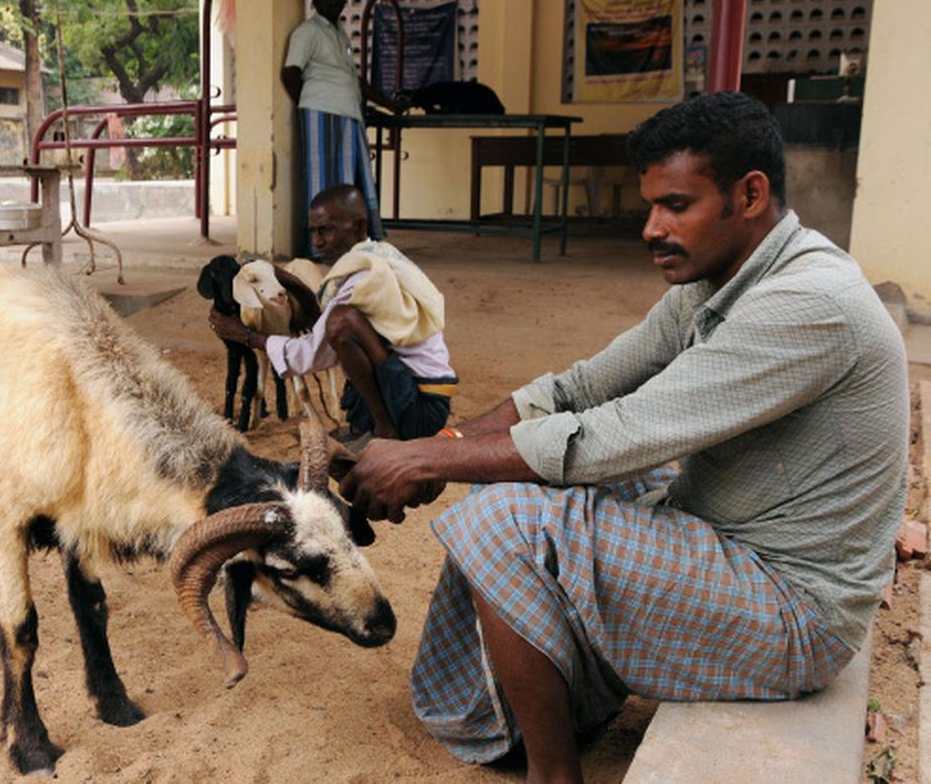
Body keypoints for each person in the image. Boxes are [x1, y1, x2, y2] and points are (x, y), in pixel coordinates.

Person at [337, 92, 909, 782]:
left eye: (676, 205)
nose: (651, 227)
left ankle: (555, 774)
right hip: (734, 545)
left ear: (749, 194)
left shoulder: (807, 302)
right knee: (536, 482)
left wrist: (429, 456)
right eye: (651, 206)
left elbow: (618, 433)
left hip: (796, 615)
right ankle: (566, 703)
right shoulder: (722, 279)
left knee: (502, 521)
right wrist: (448, 442)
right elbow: (579, 389)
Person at [209, 184, 457, 444]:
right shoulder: (378, 256)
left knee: (342, 321)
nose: (316, 241)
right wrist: (284, 278)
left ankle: (385, 428)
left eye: (325, 230)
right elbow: (321, 322)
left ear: (360, 227)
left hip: (421, 407)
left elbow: (313, 351)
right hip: (420, 389)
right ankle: (371, 425)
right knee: (340, 321)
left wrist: (246, 336)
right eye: (313, 232)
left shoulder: (363, 278)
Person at [282, 0, 406, 255]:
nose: (335, 2)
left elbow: (355, 80)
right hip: (321, 113)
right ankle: (320, 247)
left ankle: (352, 241)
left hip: (348, 112)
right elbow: (290, 72)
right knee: (322, 181)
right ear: (315, 1)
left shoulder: (339, 32)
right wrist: (310, 103)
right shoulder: (308, 32)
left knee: (350, 181)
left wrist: (389, 104)